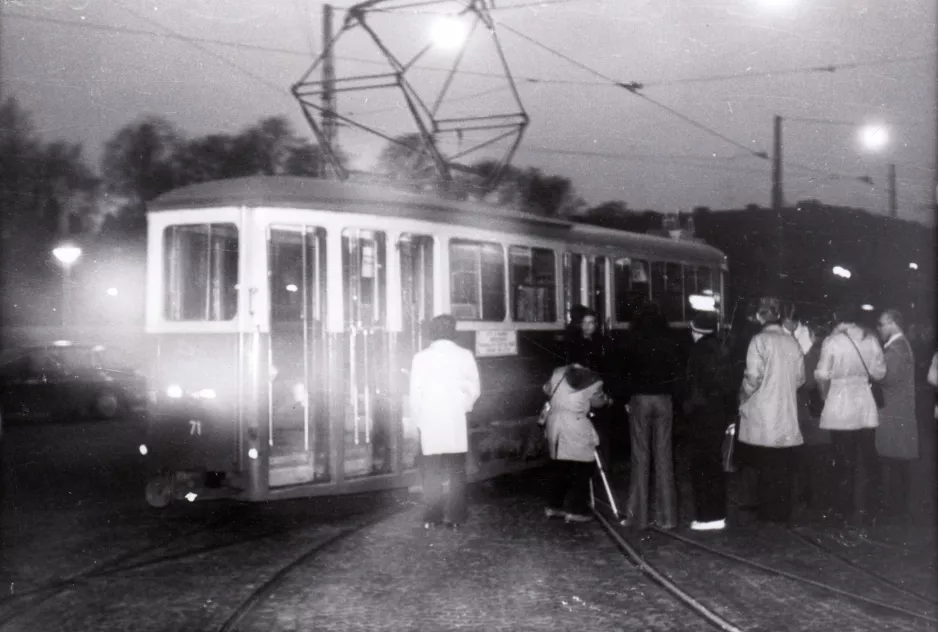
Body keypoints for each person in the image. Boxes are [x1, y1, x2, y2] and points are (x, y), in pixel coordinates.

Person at [815, 304, 886, 527]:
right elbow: (879, 372)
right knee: (868, 457)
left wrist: (826, 395)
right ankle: (871, 506)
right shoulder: (870, 338)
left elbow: (822, 374)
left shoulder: (832, 341)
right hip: (864, 404)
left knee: (843, 459)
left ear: (837, 317)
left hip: (840, 404)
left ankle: (843, 510)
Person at [409, 314, 481, 529]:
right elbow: (475, 389)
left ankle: (432, 517)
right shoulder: (465, 355)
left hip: (430, 419)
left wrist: (417, 421)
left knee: (431, 470)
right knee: (457, 470)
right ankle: (456, 517)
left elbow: (415, 394)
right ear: (453, 331)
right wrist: (464, 405)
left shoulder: (420, 357)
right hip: (454, 420)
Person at [737, 297, 805, 525]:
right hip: (786, 411)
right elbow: (800, 379)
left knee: (763, 465)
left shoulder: (759, 341)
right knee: (782, 466)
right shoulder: (792, 342)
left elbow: (752, 377)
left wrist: (742, 397)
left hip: (763, 412)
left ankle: (766, 514)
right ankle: (782, 512)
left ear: (759, 316)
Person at [621, 303, 682, 530]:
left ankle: (638, 517)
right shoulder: (669, 340)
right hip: (664, 400)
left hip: (640, 400)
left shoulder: (632, 340)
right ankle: (668, 518)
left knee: (640, 457)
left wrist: (627, 398)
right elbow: (678, 372)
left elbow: (624, 372)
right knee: (665, 458)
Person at [543, 359, 612, 523]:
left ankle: (553, 507)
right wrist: (608, 400)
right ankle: (577, 509)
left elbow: (546, 389)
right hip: (576, 423)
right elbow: (598, 402)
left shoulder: (558, 371)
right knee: (583, 466)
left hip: (555, 423)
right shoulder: (593, 379)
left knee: (559, 465)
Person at [683, 312, 735, 531]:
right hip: (720, 413)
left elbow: (694, 388)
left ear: (695, 332)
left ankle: (707, 517)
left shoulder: (697, 351)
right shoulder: (722, 348)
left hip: (703, 414)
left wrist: (687, 410)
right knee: (715, 464)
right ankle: (718, 514)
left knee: (701, 465)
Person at [874, 309, 918, 520]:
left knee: (892, 461)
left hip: (893, 413)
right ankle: (899, 507)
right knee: (899, 461)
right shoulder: (901, 346)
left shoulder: (896, 349)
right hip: (900, 412)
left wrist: (872, 372)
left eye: (881, 324)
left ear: (891, 323)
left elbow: (886, 378)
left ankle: (893, 510)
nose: (879, 328)